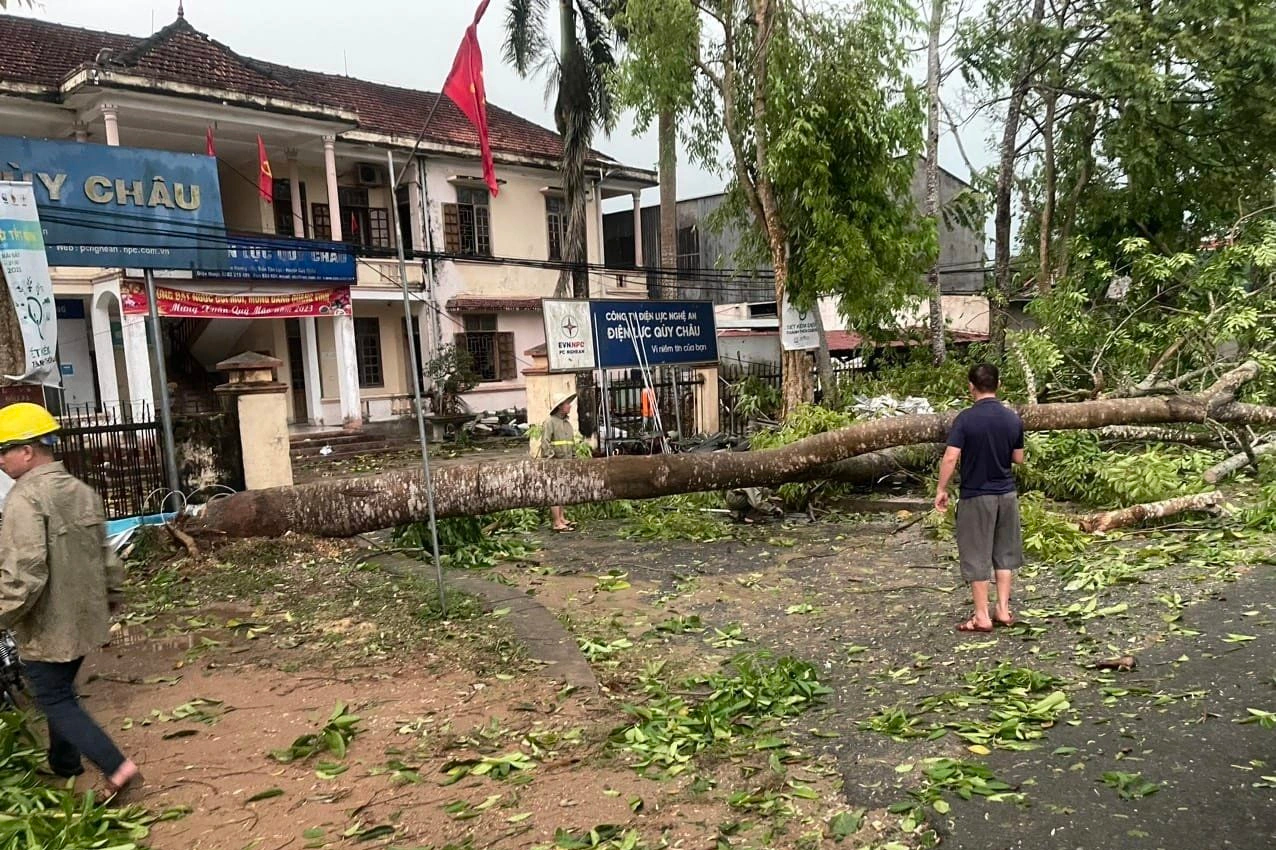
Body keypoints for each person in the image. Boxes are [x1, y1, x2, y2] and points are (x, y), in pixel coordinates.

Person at [0, 403, 140, 796]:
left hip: (48, 624)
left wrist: (2, 613)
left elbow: (24, 574)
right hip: (85, 617)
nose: (0, 460)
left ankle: (118, 768)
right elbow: (105, 553)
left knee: (55, 698)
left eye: (3, 450)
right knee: (61, 689)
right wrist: (113, 595)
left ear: (27, 451)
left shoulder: (24, 500)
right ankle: (64, 762)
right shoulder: (80, 491)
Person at [933, 364, 1025, 633]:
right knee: (1004, 553)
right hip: (1007, 495)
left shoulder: (965, 419)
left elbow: (951, 456)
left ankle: (982, 615)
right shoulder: (1012, 419)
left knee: (977, 554)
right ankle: (1004, 610)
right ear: (999, 384)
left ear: (971, 386)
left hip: (976, 494)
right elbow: (1018, 458)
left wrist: (942, 489)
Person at [539, 392, 577, 532]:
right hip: (554, 463)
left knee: (563, 491)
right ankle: (556, 522)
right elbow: (545, 443)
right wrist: (551, 459)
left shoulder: (567, 424)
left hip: (566, 462)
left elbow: (571, 443)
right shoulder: (550, 422)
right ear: (560, 406)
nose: (569, 406)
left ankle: (561, 518)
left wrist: (573, 458)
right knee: (555, 492)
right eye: (567, 403)